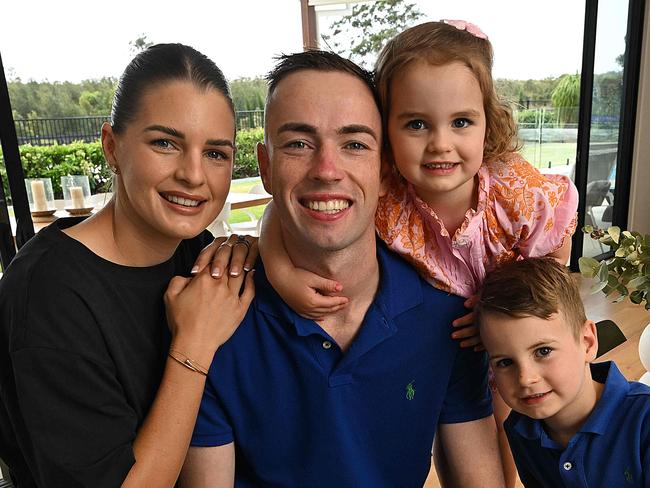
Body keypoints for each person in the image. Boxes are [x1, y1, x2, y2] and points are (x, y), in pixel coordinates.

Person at [262, 20, 579, 486]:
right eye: (416, 124)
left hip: (515, 330)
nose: (440, 144)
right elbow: (279, 212)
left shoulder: (516, 191)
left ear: (487, 122)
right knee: (457, 432)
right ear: (386, 130)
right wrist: (279, 269)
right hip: (443, 338)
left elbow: (557, 248)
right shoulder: (386, 196)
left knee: (530, 429)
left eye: (461, 122)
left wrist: (511, 317)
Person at [179, 50, 504, 487]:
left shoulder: (449, 317)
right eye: (298, 143)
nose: (327, 171)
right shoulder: (213, 321)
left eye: (354, 144)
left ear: (385, 168)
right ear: (265, 166)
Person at [0, 43, 255, 487]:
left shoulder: (192, 250)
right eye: (165, 143)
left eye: (216, 153)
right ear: (112, 146)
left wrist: (262, 253)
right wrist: (193, 344)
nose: (194, 175)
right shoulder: (47, 296)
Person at [475, 257, 650, 487]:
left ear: (587, 342)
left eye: (543, 351)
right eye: (505, 362)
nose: (526, 378)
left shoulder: (644, 422)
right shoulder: (520, 430)